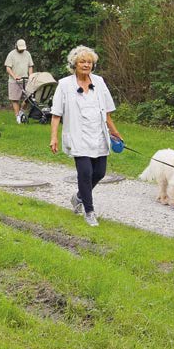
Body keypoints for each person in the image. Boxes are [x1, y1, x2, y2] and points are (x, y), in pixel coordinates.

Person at [50, 45, 123, 227]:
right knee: (85, 173)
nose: (86, 64)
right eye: (82, 61)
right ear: (74, 63)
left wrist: (114, 132)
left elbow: (106, 112)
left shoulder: (99, 81)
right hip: (78, 136)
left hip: (98, 135)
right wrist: (54, 137)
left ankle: (80, 197)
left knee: (99, 172)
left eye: (89, 62)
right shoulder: (65, 84)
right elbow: (56, 114)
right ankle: (89, 211)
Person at [5, 39, 34, 123]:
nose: (21, 50)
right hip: (14, 81)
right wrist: (15, 76)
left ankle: (21, 111)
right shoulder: (11, 54)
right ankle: (17, 116)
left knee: (29, 98)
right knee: (15, 99)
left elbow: (30, 66)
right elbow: (8, 68)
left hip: (26, 80)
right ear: (16, 46)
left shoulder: (27, 54)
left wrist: (31, 76)